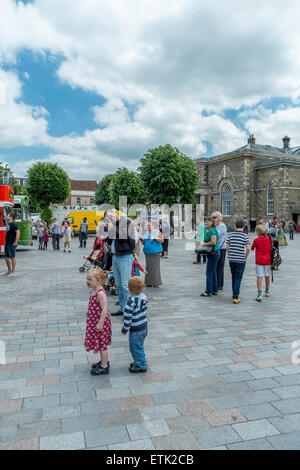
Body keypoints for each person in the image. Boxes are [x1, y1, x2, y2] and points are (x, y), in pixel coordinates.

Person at [106, 211, 136, 316]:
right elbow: (109, 242)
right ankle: (123, 308)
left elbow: (124, 237)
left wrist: (113, 229)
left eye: (110, 216)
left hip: (124, 257)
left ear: (117, 215)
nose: (109, 218)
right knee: (119, 285)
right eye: (108, 217)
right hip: (115, 257)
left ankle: (129, 310)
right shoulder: (115, 226)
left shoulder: (126, 223)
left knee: (125, 285)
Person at [85, 268, 111, 376]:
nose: (87, 281)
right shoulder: (93, 290)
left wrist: (100, 323)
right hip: (95, 322)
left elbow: (104, 309)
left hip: (101, 323)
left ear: (99, 280)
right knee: (100, 344)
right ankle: (103, 362)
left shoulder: (100, 293)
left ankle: (104, 366)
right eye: (87, 278)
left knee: (102, 344)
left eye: (90, 279)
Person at [122, 276, 148, 373]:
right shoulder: (144, 297)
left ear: (129, 289)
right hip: (144, 326)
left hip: (136, 329)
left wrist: (125, 328)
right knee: (139, 346)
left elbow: (128, 318)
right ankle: (138, 361)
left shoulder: (130, 302)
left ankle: (141, 365)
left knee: (135, 347)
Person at [226, 220, 250, 304]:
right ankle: (235, 296)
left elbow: (227, 247)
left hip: (232, 259)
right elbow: (248, 248)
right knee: (238, 278)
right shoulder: (245, 236)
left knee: (234, 276)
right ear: (243, 227)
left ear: (236, 226)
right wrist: (245, 257)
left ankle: (235, 294)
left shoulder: (230, 235)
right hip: (240, 260)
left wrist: (230, 254)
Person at [200, 217, 220, 297]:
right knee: (213, 272)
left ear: (211, 223)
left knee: (209, 273)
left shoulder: (212, 231)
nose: (205, 224)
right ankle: (214, 290)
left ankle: (208, 291)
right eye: (205, 223)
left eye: (207, 222)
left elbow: (213, 242)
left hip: (213, 253)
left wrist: (204, 244)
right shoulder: (211, 230)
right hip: (214, 253)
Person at [251, 224, 272, 302]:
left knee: (259, 276)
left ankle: (259, 294)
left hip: (259, 261)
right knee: (267, 275)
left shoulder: (256, 240)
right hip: (268, 260)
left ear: (258, 232)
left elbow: (252, 248)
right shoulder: (269, 239)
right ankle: (267, 291)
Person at [141, 221, 164, 288]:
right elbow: (144, 242)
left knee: (155, 267)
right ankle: (148, 282)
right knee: (148, 267)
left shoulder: (157, 232)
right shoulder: (146, 232)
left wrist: (155, 238)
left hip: (155, 252)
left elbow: (162, 241)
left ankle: (156, 282)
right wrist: (142, 241)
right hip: (147, 252)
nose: (148, 227)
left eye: (149, 225)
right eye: (147, 225)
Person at [212, 211, 227, 290]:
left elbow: (216, 235)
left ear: (219, 217)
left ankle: (219, 284)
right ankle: (216, 283)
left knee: (220, 266)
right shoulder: (216, 226)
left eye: (215, 217)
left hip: (221, 248)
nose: (213, 219)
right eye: (213, 217)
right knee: (215, 266)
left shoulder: (222, 226)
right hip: (216, 248)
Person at [3, 212, 20, 276]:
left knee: (12, 257)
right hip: (7, 243)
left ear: (11, 217)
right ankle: (9, 271)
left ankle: (13, 271)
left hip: (11, 243)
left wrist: (16, 242)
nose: (7, 216)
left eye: (8, 215)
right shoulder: (9, 224)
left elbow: (18, 232)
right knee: (6, 257)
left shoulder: (13, 224)